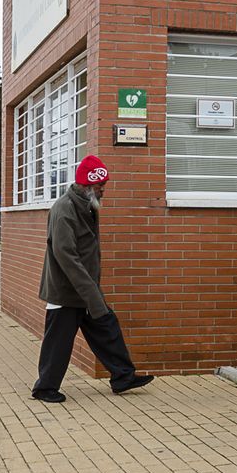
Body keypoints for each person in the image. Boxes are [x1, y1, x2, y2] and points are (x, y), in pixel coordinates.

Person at [31, 155, 153, 403]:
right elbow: (66, 257)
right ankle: (44, 388)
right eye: (100, 187)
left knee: (107, 327)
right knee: (59, 340)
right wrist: (91, 293)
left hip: (84, 287)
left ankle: (123, 376)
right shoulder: (64, 209)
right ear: (87, 185)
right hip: (66, 289)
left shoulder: (86, 204)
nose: (103, 191)